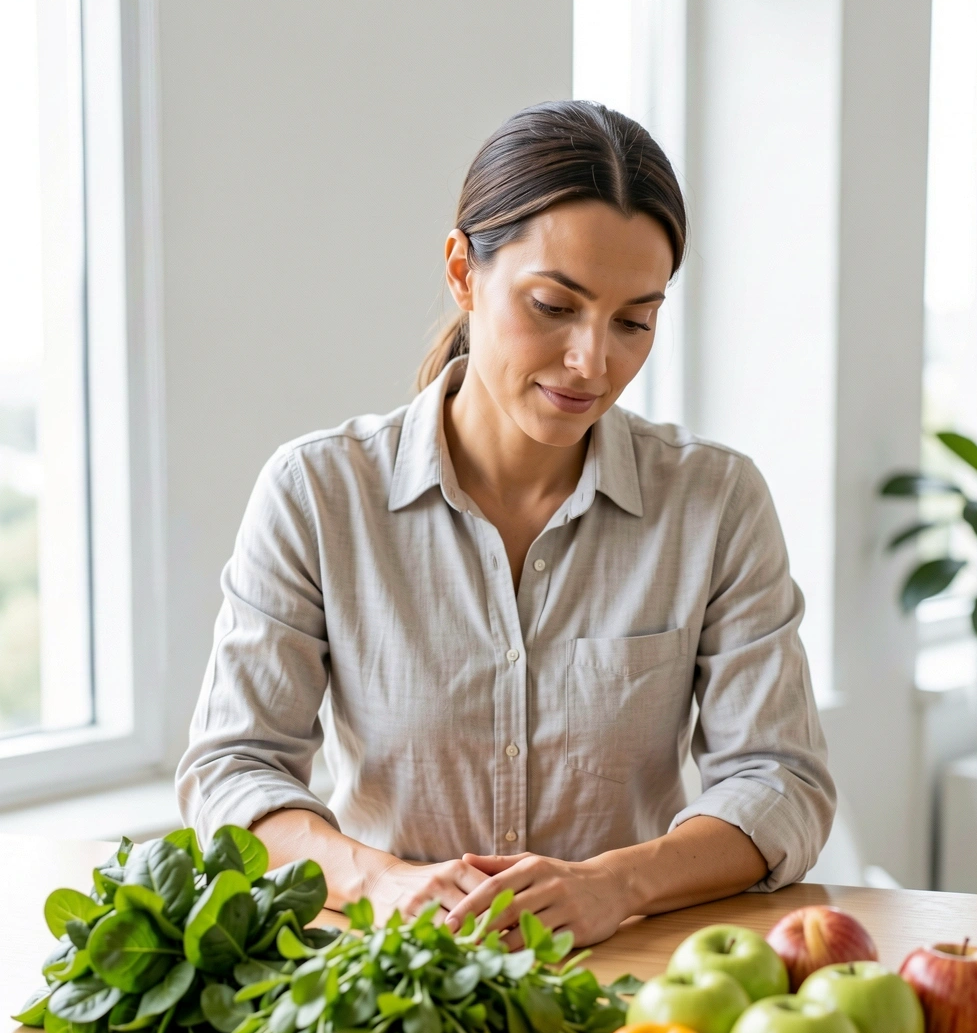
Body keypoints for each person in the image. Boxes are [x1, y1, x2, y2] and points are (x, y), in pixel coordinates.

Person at [176, 100, 835, 950]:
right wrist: (382, 881)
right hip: (385, 980)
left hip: (632, 983)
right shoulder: (317, 493)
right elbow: (232, 771)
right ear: (462, 271)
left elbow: (781, 779)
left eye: (634, 321)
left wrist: (615, 883)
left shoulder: (716, 502)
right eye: (555, 306)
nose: (593, 362)